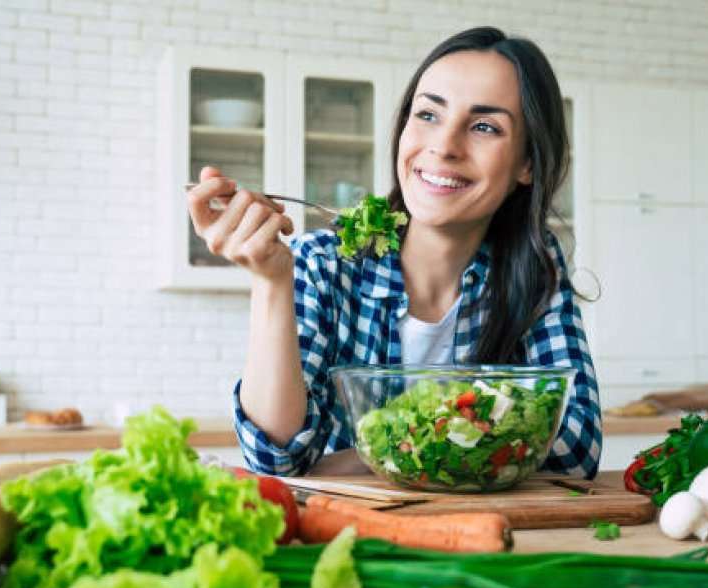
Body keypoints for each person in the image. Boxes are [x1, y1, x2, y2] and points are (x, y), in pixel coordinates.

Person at [187, 26, 601, 479]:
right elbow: (278, 459)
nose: (444, 146)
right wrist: (270, 281)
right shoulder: (323, 263)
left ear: (527, 163)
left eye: (484, 126)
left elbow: (574, 448)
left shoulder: (536, 271)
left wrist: (371, 455)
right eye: (427, 115)